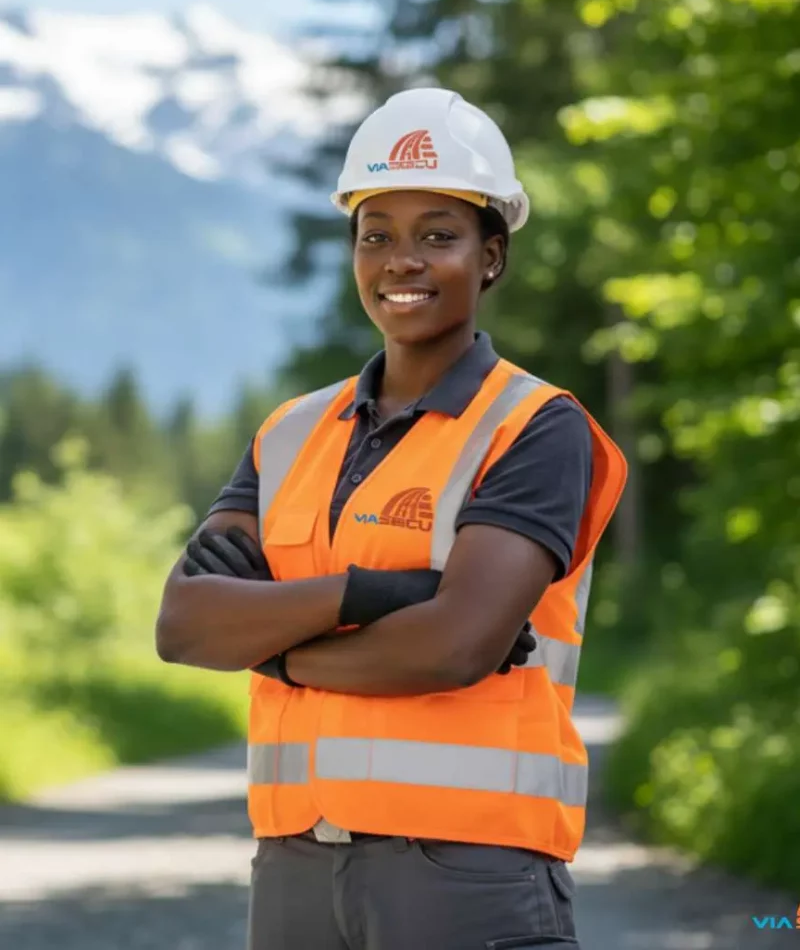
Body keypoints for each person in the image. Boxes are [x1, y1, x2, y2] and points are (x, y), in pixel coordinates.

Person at [156, 86, 627, 950]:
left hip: (468, 872)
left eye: (438, 236)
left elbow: (456, 645)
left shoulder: (534, 426)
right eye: (377, 236)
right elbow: (186, 626)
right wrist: (376, 592)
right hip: (293, 868)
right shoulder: (290, 432)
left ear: (491, 257)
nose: (402, 260)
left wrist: (274, 649)